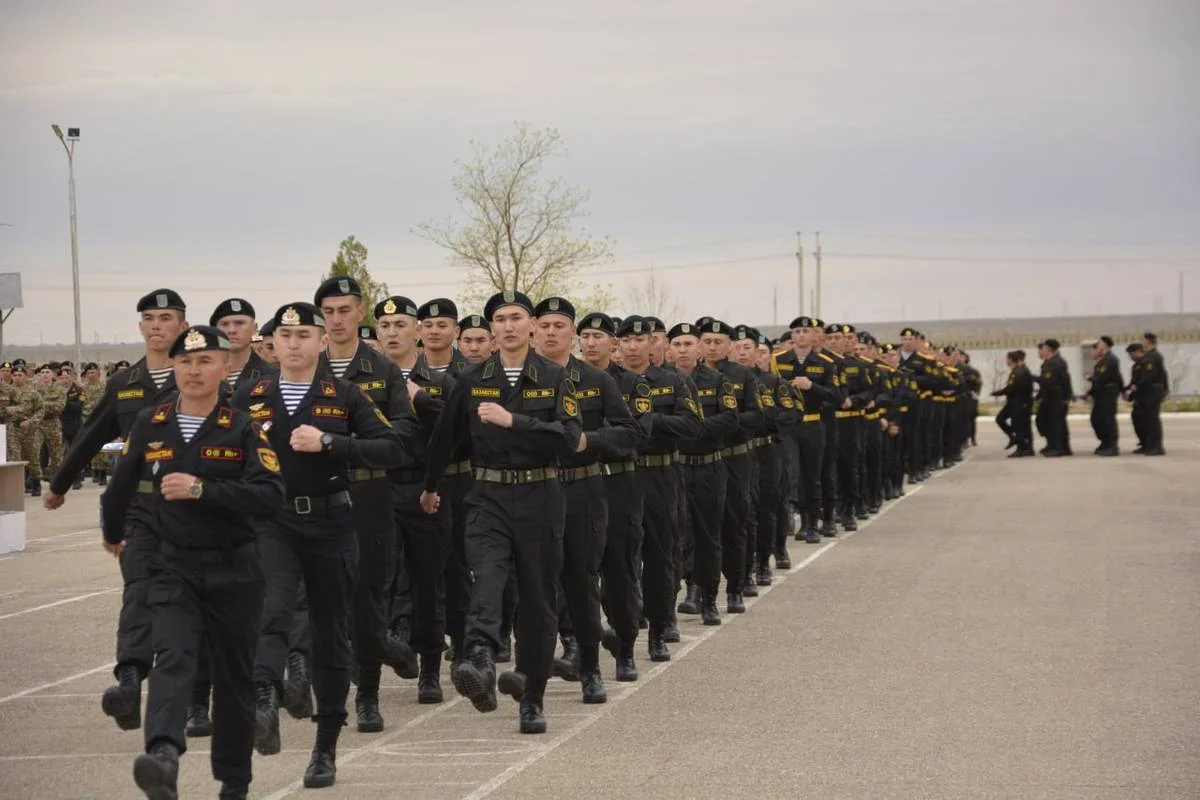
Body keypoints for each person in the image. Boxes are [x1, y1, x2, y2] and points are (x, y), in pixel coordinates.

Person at [101, 326, 285, 800]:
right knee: (173, 658)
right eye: (185, 362)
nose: (194, 371)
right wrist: (113, 531)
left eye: (205, 361)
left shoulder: (244, 427)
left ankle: (234, 782)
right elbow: (121, 485)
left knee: (233, 679)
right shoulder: (152, 423)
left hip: (235, 571)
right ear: (174, 366)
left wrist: (203, 489)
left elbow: (270, 496)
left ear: (224, 367)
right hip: (173, 567)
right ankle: (162, 756)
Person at [235, 302, 405, 789]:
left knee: (331, 635)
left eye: (303, 335)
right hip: (273, 522)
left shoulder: (344, 394)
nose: (293, 344)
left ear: (321, 341)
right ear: (272, 342)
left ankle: (325, 745)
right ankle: (264, 700)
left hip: (331, 521)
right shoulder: (251, 394)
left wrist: (332, 443)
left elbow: (393, 448)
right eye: (285, 335)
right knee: (273, 609)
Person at [419, 290, 582, 735]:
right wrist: (430, 487)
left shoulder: (554, 376)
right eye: (501, 319)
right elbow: (444, 439)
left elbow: (570, 437)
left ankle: (532, 698)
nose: (508, 326)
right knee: (487, 576)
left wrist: (516, 422)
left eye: (516, 317)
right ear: (492, 329)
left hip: (540, 497)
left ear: (531, 325)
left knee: (537, 598)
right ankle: (480, 659)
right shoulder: (472, 380)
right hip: (487, 495)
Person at [45, 288, 189, 730]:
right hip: (139, 506)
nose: (157, 326)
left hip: (192, 507)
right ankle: (129, 679)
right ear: (141, 326)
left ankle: (193, 692)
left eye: (166, 319)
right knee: (138, 590)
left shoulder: (198, 375)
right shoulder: (124, 383)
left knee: (189, 597)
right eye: (150, 319)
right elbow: (91, 433)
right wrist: (59, 483)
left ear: (183, 325)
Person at [315, 276, 421, 734]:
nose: (337, 320)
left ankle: (368, 698)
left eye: (345, 310)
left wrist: (354, 443)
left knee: (368, 597)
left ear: (361, 313)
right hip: (319, 498)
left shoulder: (383, 370)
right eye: (329, 312)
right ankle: (340, 686)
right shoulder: (307, 368)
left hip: (370, 494)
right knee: (323, 600)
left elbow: (405, 432)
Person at [530, 297, 642, 704]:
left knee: (582, 579)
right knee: (538, 582)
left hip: (583, 489)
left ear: (572, 333)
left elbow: (629, 433)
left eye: (559, 326)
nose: (551, 333)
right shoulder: (519, 380)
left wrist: (588, 441)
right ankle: (547, 664)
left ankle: (593, 667)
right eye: (544, 325)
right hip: (534, 491)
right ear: (533, 330)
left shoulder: (596, 379)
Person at [376, 294, 459, 705]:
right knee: (377, 580)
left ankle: (430, 669)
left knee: (428, 583)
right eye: (385, 326)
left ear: (418, 331)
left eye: (400, 325)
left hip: (426, 489)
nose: (392, 333)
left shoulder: (439, 381)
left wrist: (419, 399)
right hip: (378, 488)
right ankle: (379, 662)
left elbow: (458, 427)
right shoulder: (366, 380)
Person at [576, 312, 652, 682]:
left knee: (621, 570)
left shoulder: (634, 385)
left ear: (614, 343)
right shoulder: (565, 380)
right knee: (578, 572)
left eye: (599, 336)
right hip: (579, 485)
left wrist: (589, 439)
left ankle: (625, 648)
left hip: (620, 485)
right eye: (586, 336)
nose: (591, 343)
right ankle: (584, 654)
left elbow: (637, 435)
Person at [210, 298, 275, 395]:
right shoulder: (203, 373)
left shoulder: (272, 375)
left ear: (254, 328)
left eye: (239, 323)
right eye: (224, 324)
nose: (232, 330)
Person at [1084, 336, 1123, 456]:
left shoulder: (1110, 360)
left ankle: (1112, 445)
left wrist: (1091, 378)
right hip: (1101, 394)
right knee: (1097, 419)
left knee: (1108, 420)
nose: (1097, 347)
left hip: (1108, 393)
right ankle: (1105, 442)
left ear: (1104, 345)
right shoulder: (1103, 360)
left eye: (1099, 344)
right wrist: (1090, 392)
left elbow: (1103, 377)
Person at [1130, 332, 1168, 455]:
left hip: (1152, 392)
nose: (1142, 343)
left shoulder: (1153, 357)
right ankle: (1148, 445)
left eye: (1144, 341)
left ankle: (1157, 447)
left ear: (1148, 341)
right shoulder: (1149, 356)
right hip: (1147, 392)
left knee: (1152, 420)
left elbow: (1148, 377)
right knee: (1146, 420)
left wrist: (1137, 385)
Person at [1034, 339, 1072, 457]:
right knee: (1045, 421)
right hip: (1050, 395)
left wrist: (1067, 396)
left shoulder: (1056, 363)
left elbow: (1051, 381)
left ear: (1048, 349)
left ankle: (1059, 447)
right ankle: (1053, 445)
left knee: (1056, 423)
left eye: (1043, 348)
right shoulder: (1050, 362)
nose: (1041, 350)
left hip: (1056, 396)